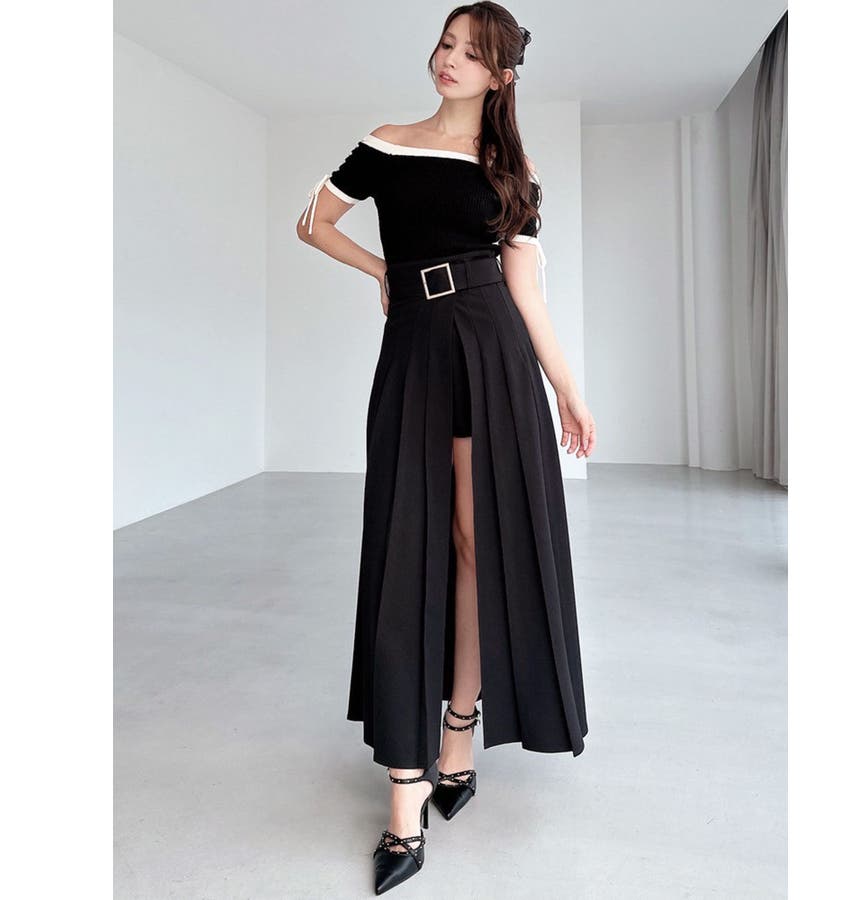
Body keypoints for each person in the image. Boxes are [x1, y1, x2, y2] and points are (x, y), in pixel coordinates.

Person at [296, 3, 596, 893]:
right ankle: (406, 788)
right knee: (407, 546)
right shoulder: (387, 143)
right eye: (445, 43)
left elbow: (527, 294)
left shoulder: (513, 171)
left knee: (472, 546)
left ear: (502, 74)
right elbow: (313, 222)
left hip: (493, 353)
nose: (449, 59)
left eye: (471, 51)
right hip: (417, 352)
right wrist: (383, 271)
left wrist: (567, 389)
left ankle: (456, 736)